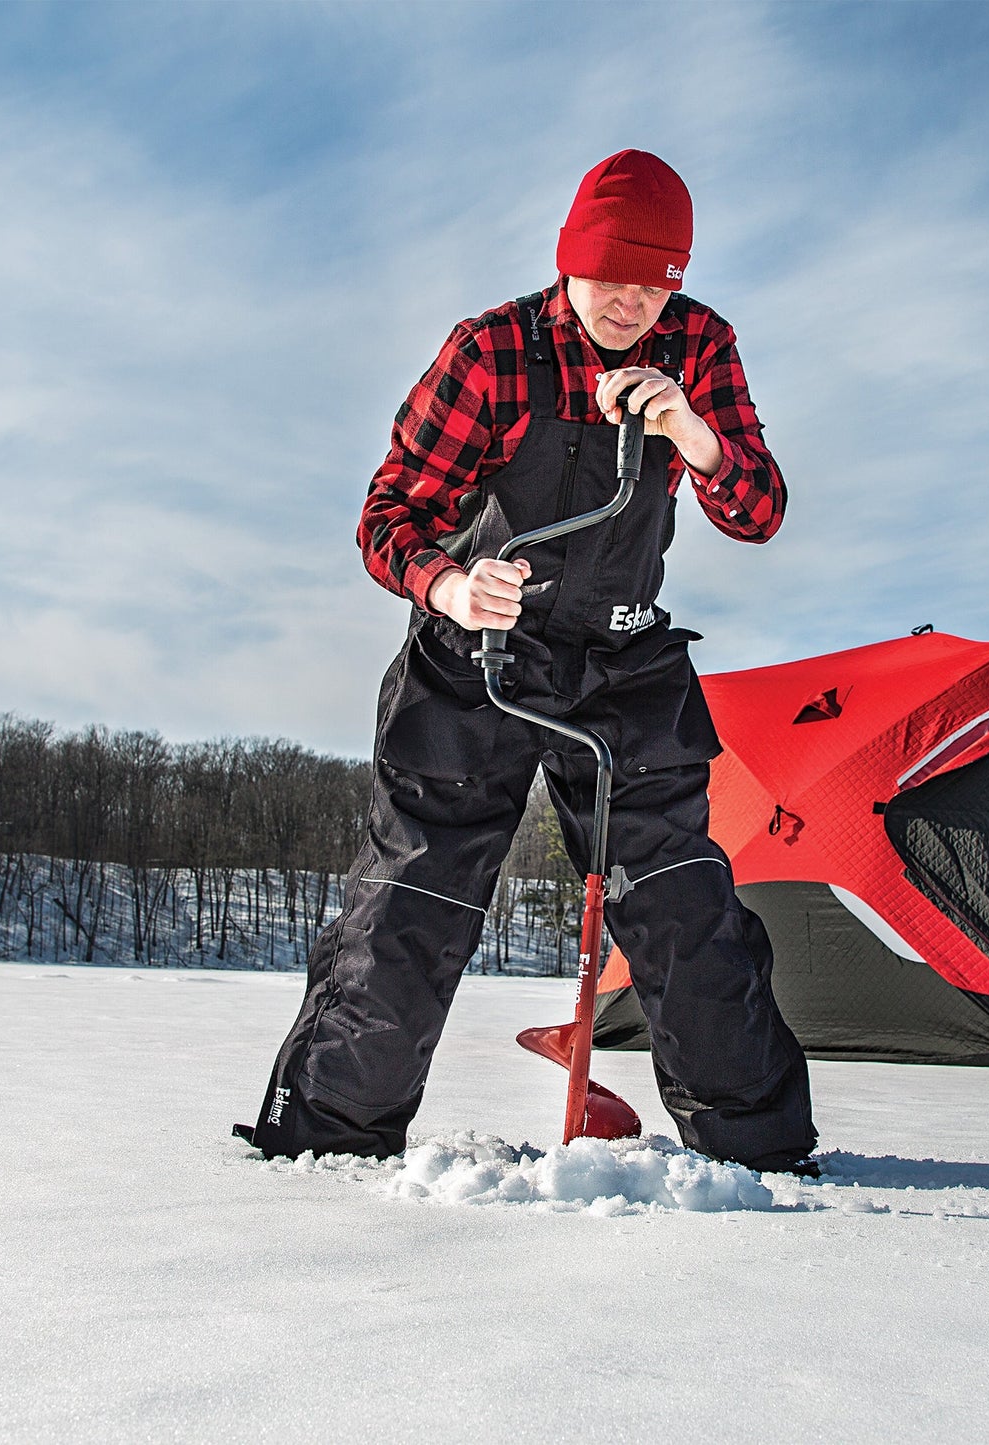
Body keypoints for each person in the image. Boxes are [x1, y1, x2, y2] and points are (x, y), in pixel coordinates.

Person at [241, 150, 817, 1175]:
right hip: (477, 655)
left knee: (682, 898)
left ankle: (761, 1154)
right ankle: (325, 1145)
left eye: (654, 286)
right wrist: (450, 585)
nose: (631, 305)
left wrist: (696, 434)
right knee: (416, 896)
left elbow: (758, 510)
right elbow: (388, 515)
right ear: (567, 266)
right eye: (611, 284)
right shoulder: (491, 351)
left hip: (622, 660)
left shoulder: (700, 343)